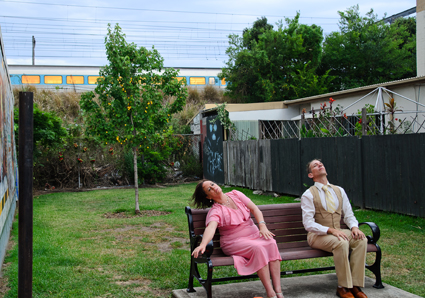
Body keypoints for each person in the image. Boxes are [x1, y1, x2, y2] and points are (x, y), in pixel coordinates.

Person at [191, 180, 284, 298]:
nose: (214, 188)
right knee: (259, 248)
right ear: (208, 197)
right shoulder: (216, 211)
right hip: (233, 242)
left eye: (213, 184)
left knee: (271, 242)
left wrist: (262, 226)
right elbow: (211, 227)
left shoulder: (236, 194)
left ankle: (279, 291)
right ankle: (271, 293)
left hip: (254, 235)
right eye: (209, 189)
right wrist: (203, 244)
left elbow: (255, 209)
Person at [301, 159, 368, 298]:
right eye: (315, 165)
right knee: (341, 242)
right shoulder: (308, 194)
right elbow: (308, 224)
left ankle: (355, 285)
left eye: (321, 164)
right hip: (317, 235)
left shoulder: (339, 190)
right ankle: (343, 287)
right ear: (310, 175)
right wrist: (330, 230)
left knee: (361, 240)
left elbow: (348, 214)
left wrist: (354, 227)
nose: (319, 165)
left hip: (338, 231)